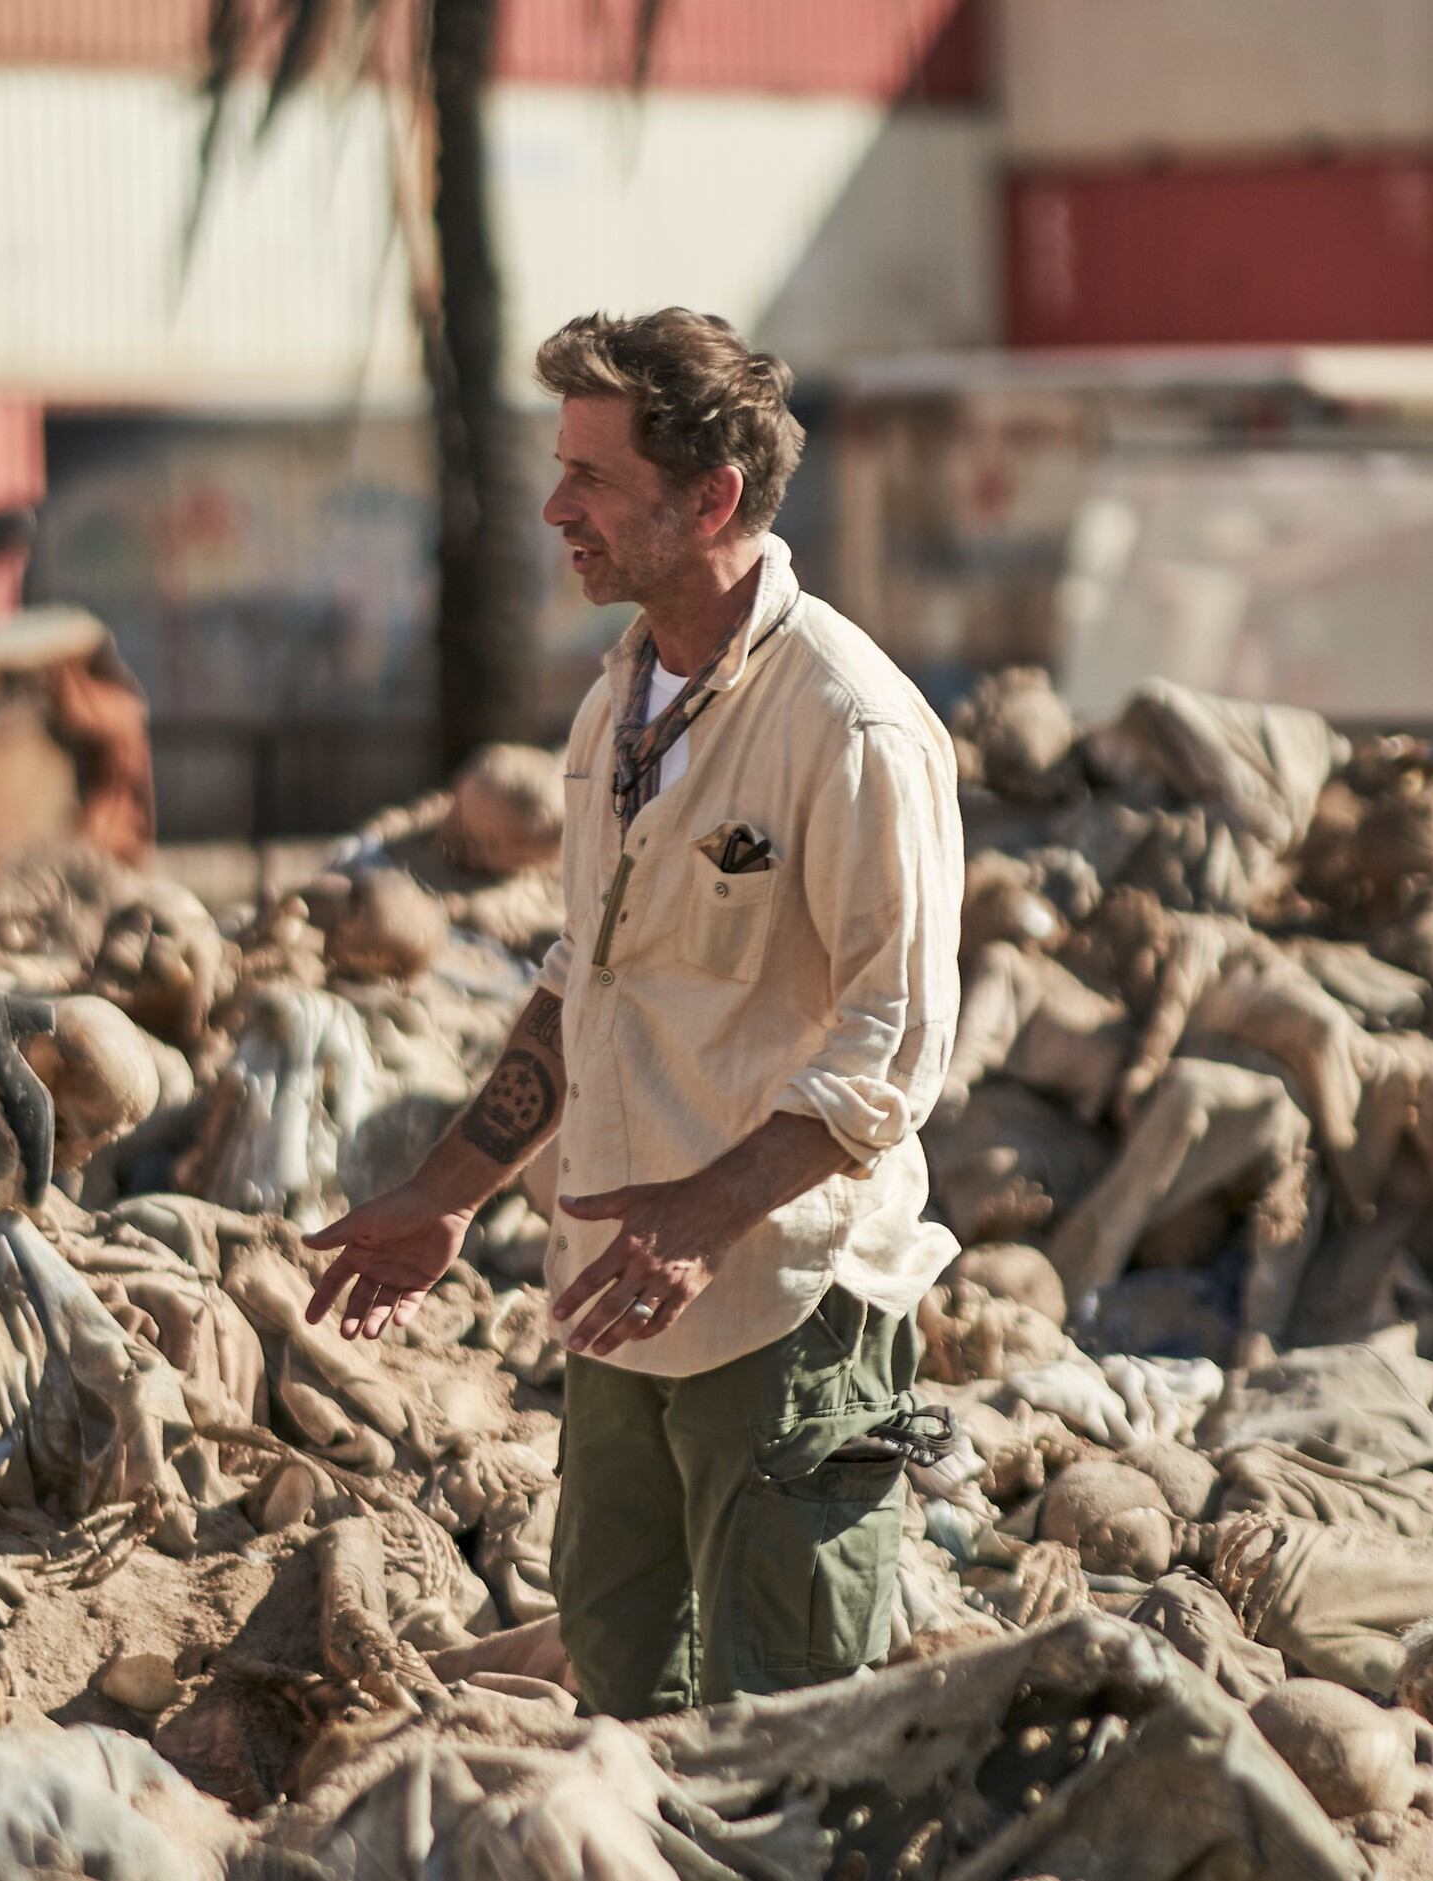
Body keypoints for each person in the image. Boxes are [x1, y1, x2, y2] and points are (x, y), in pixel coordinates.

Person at [303, 308, 965, 1716]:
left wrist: (704, 1216)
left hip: (781, 1319)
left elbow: (891, 1048)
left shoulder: (850, 726)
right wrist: (447, 1189)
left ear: (710, 497)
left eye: (592, 479)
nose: (555, 508)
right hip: (618, 1307)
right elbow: (580, 983)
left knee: (781, 1742)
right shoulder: (618, 706)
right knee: (623, 1705)